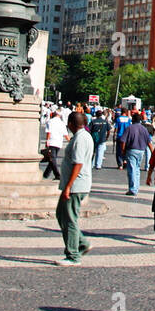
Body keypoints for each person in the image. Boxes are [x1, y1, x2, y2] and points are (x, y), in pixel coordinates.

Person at [54, 111, 94, 266]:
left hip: (76, 185)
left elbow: (78, 164)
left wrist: (68, 186)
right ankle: (82, 242)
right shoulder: (83, 136)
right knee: (61, 214)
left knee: (70, 219)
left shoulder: (80, 139)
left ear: (70, 124)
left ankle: (73, 254)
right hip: (75, 184)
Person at [120, 111, 152, 196]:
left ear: (133, 120)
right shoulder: (144, 129)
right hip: (141, 150)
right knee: (137, 169)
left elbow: (123, 141)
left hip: (131, 150)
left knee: (132, 170)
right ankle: (136, 188)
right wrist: (153, 152)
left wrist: (123, 150)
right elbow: (149, 142)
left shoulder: (129, 128)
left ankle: (133, 189)